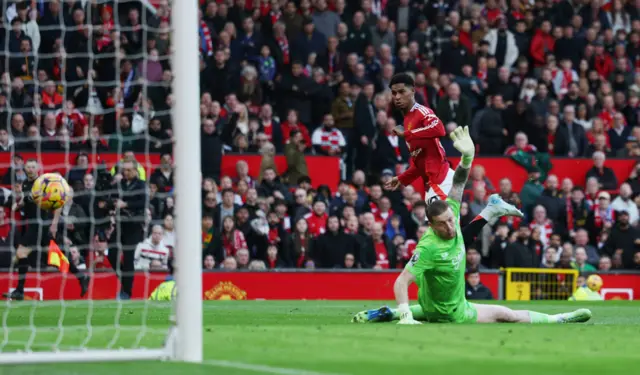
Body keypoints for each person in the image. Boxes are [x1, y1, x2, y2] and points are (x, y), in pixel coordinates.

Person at [353, 127, 591, 324]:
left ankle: (387, 312)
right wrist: (406, 316)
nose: (451, 225)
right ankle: (559, 319)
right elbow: (401, 281)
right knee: (505, 315)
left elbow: (457, 183)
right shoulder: (428, 247)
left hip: (445, 305)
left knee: (476, 305)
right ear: (432, 227)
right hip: (453, 315)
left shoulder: (451, 213)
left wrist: (467, 158)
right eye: (444, 224)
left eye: (451, 219)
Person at [3, 160, 89, 300]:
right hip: (34, 224)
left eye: (33, 167)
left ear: (38, 169)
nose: (30, 169)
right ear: (25, 168)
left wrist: (54, 224)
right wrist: (18, 205)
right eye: (28, 167)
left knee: (21, 253)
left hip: (41, 224)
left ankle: (19, 290)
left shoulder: (44, 183)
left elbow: (58, 202)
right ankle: (81, 277)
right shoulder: (25, 183)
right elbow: (27, 199)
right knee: (59, 252)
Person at [383, 73, 453, 203]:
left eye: (402, 92)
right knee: (447, 223)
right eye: (394, 93)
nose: (397, 97)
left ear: (413, 91)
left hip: (441, 178)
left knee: (440, 222)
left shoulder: (422, 111)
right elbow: (420, 161)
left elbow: (440, 129)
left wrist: (407, 134)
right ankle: (491, 210)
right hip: (433, 182)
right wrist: (402, 178)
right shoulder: (407, 120)